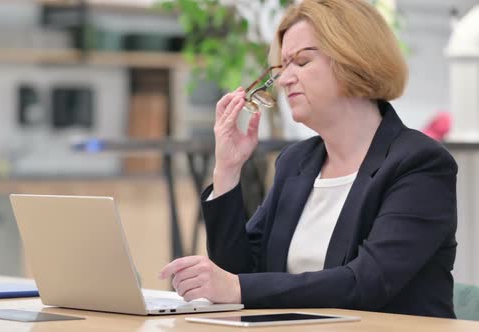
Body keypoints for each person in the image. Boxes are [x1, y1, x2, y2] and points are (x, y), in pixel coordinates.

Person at [159, 0, 458, 318]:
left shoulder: (420, 164)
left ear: (354, 61)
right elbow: (241, 272)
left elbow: (367, 283)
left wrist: (237, 287)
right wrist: (227, 169)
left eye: (301, 62)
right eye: (283, 67)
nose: (286, 79)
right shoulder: (297, 161)